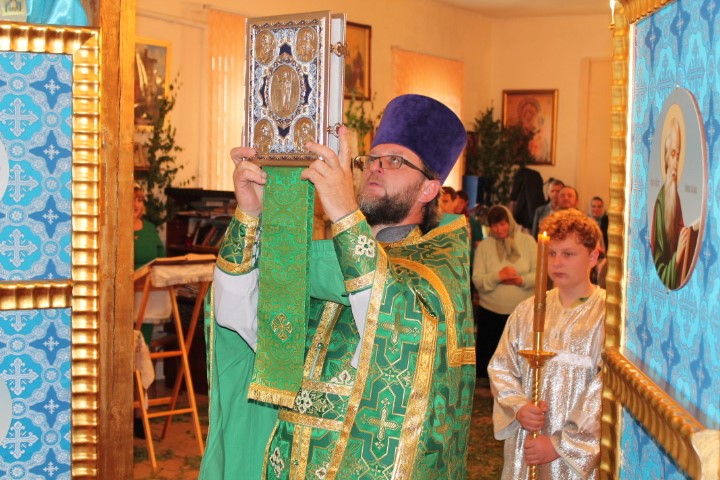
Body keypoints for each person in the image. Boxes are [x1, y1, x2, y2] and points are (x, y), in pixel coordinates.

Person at [200, 94, 475, 479]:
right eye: (372, 158)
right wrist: (251, 214)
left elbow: (399, 336)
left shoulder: (432, 276)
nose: (376, 167)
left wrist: (345, 214)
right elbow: (239, 322)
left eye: (396, 160)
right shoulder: (324, 260)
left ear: (429, 189)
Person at [489, 209, 605, 479]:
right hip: (527, 439)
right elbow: (502, 366)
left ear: (593, 256)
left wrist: (560, 445)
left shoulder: (606, 314)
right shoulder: (527, 310)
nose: (557, 262)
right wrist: (518, 407)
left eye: (568, 254)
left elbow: (604, 387)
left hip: (575, 457)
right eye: (551, 253)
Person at [472, 205, 537, 378]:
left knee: (517, 357)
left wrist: (521, 280)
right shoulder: (485, 246)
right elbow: (477, 279)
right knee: (489, 355)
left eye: (502, 224)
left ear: (510, 222)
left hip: (520, 311)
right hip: (491, 311)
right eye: (494, 225)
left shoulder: (528, 241)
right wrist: (498, 276)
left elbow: (539, 274)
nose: (498, 229)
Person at [651, 117, 692, 289]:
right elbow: (658, 265)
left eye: (678, 155)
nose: (675, 164)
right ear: (666, 157)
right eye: (673, 154)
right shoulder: (660, 204)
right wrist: (677, 257)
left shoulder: (676, 198)